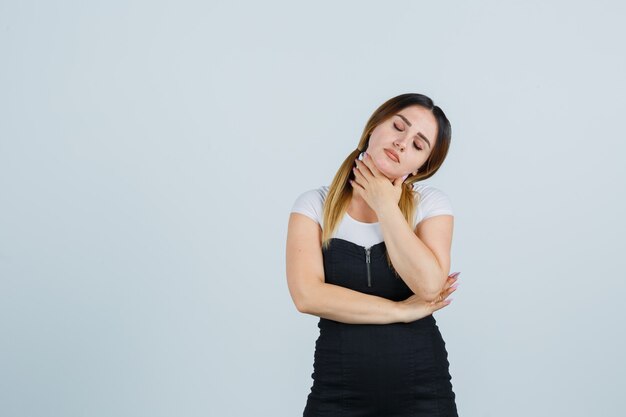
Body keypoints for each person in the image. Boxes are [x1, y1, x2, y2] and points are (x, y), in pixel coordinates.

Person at [286, 93, 460, 416]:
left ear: (422, 166)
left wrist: (385, 205)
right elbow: (307, 296)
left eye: (418, 145)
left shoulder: (431, 206)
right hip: (336, 395)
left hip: (424, 393)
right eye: (398, 126)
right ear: (374, 126)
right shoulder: (313, 206)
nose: (402, 143)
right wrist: (400, 311)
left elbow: (429, 286)